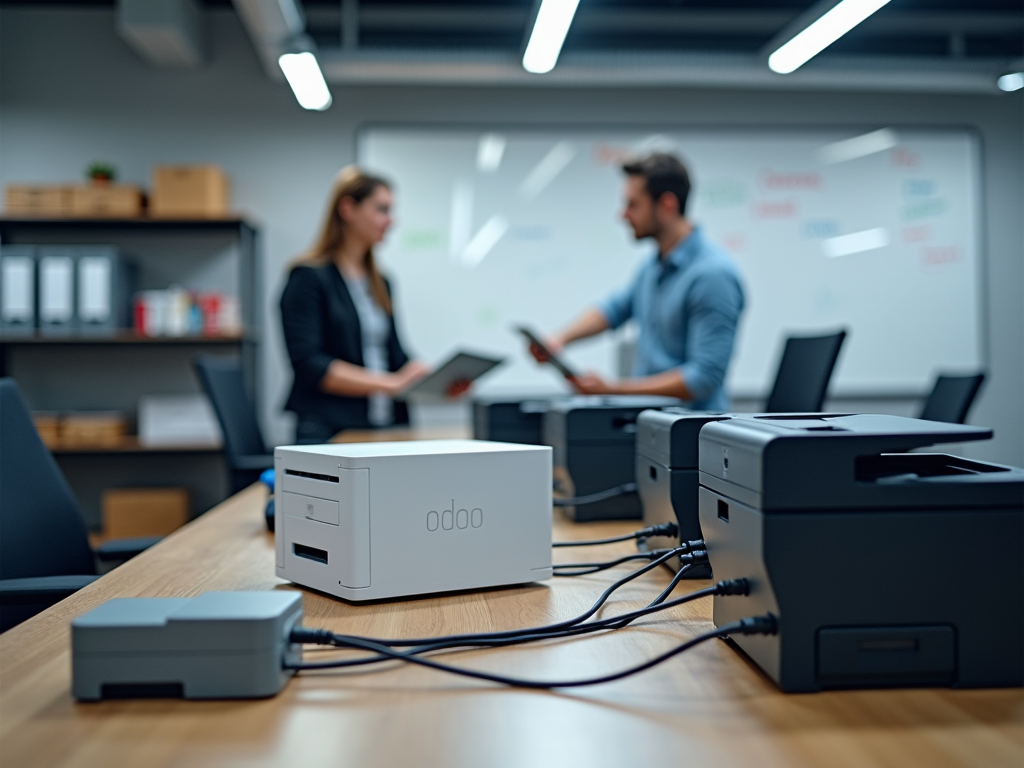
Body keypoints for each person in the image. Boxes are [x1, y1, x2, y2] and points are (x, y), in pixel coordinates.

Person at [531, 153, 745, 412]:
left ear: (666, 206)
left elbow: (703, 379)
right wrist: (559, 339)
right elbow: (613, 310)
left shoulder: (712, 276)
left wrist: (613, 390)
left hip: (692, 438)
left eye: (633, 205)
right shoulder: (652, 267)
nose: (623, 215)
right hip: (652, 429)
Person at [280, 166, 429, 444]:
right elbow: (311, 365)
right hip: (329, 431)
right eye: (382, 210)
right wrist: (391, 384)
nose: (391, 221)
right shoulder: (308, 278)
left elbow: (396, 356)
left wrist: (430, 380)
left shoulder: (381, 282)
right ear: (348, 209)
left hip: (385, 427)